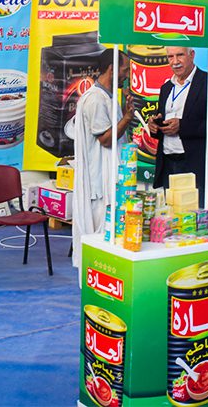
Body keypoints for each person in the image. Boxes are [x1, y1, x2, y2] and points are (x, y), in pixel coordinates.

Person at [69, 49, 134, 267]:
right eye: (125, 70)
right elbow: (106, 139)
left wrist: (124, 112)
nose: (127, 75)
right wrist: (127, 117)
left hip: (109, 179)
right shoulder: (96, 99)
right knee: (100, 236)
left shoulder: (108, 96)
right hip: (98, 184)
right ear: (112, 69)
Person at [148, 47, 208, 203]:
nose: (175, 62)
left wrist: (182, 126)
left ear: (192, 55)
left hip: (198, 167)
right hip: (169, 164)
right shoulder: (166, 88)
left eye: (180, 55)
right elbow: (162, 120)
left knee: (198, 216)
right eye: (170, 57)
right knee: (172, 215)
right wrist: (155, 127)